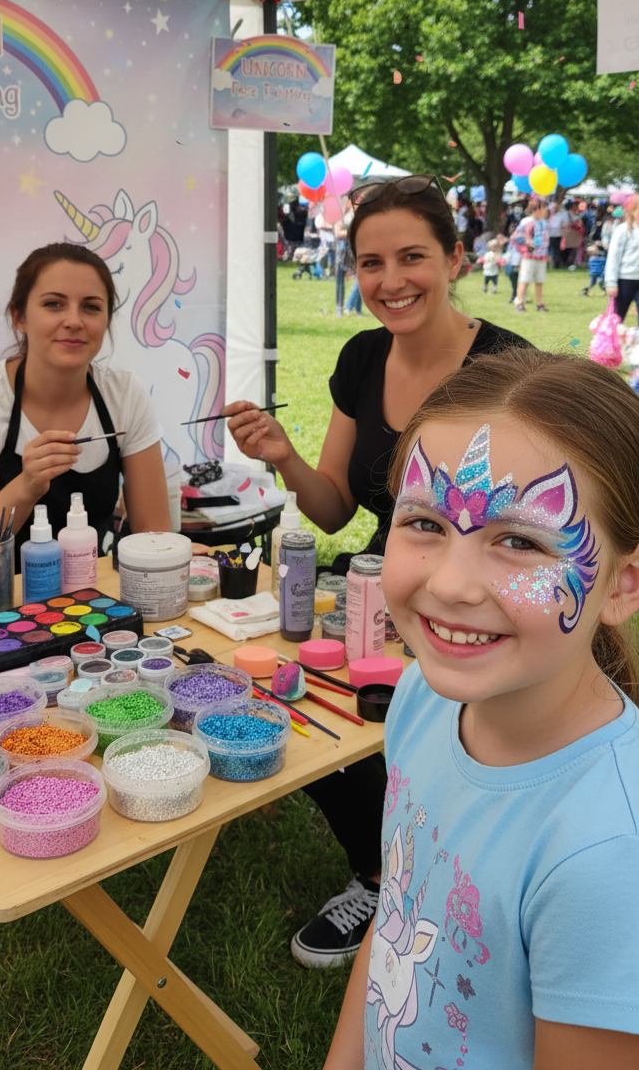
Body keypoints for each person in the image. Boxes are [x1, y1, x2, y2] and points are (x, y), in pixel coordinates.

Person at [225, 175, 528, 969]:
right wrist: (283, 457)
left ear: (457, 259)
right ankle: (378, 873)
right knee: (302, 700)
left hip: (474, 598)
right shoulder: (362, 358)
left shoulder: (507, 368)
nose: (390, 281)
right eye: (370, 263)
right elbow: (331, 512)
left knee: (408, 724)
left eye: (412, 257)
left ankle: (461, 885)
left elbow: (525, 530)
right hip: (371, 585)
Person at [323, 348, 639, 1070]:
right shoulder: (419, 700)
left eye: (520, 541)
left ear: (622, 586)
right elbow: (396, 916)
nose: (455, 584)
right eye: (426, 524)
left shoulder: (609, 854)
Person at [0, 242, 171, 566]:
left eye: (91, 307)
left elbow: (155, 537)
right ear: (19, 317)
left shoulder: (125, 393)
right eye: (54, 304)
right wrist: (27, 486)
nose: (74, 321)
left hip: (94, 598)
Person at [605, 194, 639, 323]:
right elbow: (614, 257)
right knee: (617, 318)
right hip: (625, 279)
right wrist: (611, 282)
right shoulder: (622, 230)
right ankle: (613, 342)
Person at [515, 197, 549, 312]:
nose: (545, 211)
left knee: (539, 280)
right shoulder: (526, 222)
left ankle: (540, 303)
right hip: (529, 257)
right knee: (524, 279)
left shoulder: (544, 223)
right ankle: (520, 303)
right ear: (537, 209)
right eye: (543, 208)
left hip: (541, 256)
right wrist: (526, 246)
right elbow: (516, 237)